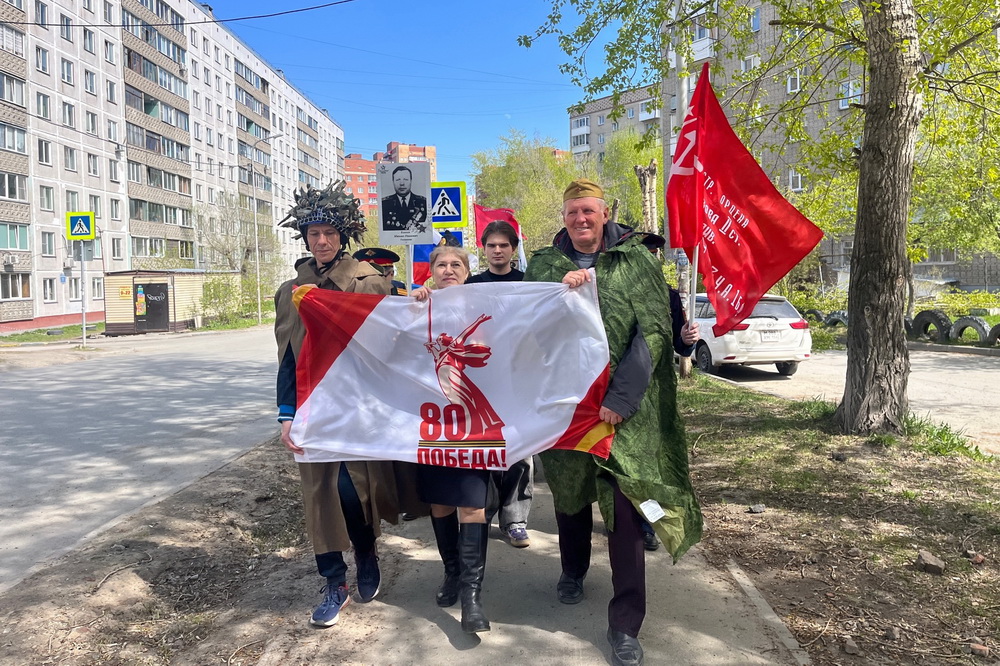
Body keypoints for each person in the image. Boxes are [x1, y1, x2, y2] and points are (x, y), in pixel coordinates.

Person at [524, 179, 703, 666]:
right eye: (572, 212)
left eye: (588, 210)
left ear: (604, 214)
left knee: (626, 510)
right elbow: (526, 330)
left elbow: (654, 332)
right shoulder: (545, 266)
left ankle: (625, 622)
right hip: (568, 404)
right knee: (569, 495)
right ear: (564, 218)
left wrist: (621, 397)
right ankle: (573, 569)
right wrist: (557, 298)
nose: (580, 219)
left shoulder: (636, 260)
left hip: (625, 410)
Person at [273, 182, 401, 628]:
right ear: (305, 238)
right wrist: (286, 413)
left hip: (357, 406)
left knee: (352, 489)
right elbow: (287, 357)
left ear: (342, 236)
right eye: (314, 234)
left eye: (329, 233)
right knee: (318, 495)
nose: (322, 241)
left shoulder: (370, 282)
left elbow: (394, 343)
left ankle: (366, 552)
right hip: (312, 407)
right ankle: (333, 581)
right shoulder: (291, 290)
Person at [411, 245, 494, 634]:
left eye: (456, 264)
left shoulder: (485, 305)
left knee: (472, 504)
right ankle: (452, 572)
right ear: (431, 271)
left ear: (466, 270)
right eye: (441, 264)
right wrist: (410, 306)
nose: (448, 269)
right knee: (441, 502)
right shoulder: (418, 307)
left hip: (472, 422)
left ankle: (472, 596)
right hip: (433, 422)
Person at [466, 221, 531, 548]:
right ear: (484, 249)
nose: (497, 250)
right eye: (491, 245)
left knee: (520, 449)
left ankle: (515, 518)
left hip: (521, 376)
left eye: (504, 245)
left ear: (513, 249)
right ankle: (485, 512)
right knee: (485, 448)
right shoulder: (471, 285)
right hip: (483, 378)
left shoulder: (528, 283)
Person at [381, 165, 427, 232]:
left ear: (411, 181)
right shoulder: (384, 204)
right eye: (398, 180)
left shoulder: (423, 202)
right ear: (393, 181)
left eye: (405, 179)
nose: (402, 183)